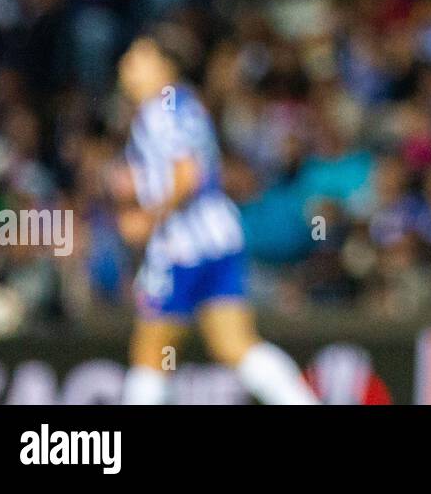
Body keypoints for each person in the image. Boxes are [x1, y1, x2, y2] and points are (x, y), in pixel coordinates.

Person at [115, 28, 319, 404]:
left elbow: (186, 174)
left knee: (150, 353)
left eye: (137, 57)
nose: (126, 65)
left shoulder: (157, 111)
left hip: (182, 246)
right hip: (221, 237)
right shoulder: (186, 103)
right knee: (235, 344)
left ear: (164, 66)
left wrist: (148, 217)